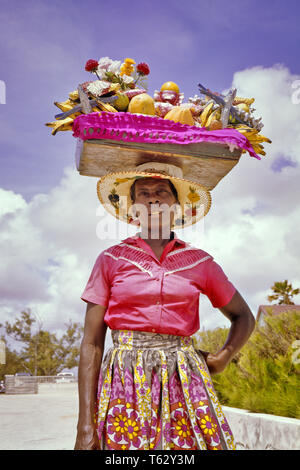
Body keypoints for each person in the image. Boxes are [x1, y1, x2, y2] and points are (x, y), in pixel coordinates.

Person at [74, 161, 255, 450]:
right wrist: (85, 424)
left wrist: (223, 358)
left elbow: (243, 316)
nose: (153, 198)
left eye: (162, 191)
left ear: (177, 205)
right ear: (132, 208)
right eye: (143, 193)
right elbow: (92, 344)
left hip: (183, 379)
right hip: (125, 380)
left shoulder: (201, 262)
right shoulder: (111, 259)